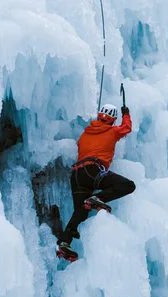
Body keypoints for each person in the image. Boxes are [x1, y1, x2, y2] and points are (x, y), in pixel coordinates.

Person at [56, 103, 136, 261]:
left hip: (77, 175)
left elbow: (84, 146)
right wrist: (126, 113)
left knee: (80, 211)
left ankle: (64, 242)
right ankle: (98, 199)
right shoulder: (112, 131)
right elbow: (126, 128)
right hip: (93, 170)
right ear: (112, 120)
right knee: (128, 185)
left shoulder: (85, 134)